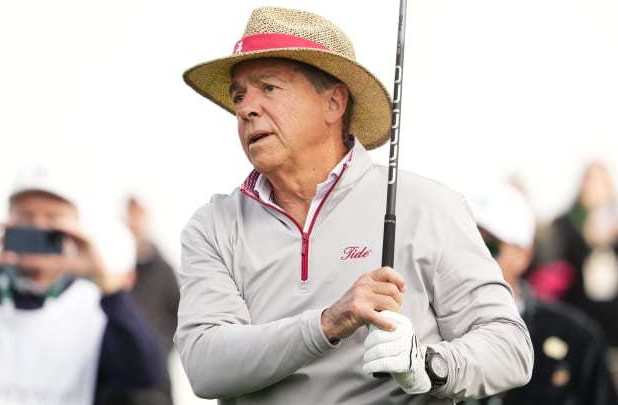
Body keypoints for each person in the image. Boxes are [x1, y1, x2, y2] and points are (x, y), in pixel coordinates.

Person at [174, 6, 533, 404]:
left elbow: (510, 346)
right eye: (239, 95)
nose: (245, 108)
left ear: (333, 103)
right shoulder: (213, 226)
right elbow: (205, 366)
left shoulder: (430, 206)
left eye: (268, 88)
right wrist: (330, 322)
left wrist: (428, 365)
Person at [0, 166, 163, 405]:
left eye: (53, 218)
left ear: (74, 229)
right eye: (26, 216)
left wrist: (107, 286)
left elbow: (145, 374)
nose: (38, 226)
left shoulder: (94, 308)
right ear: (8, 220)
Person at [464, 182, 618, 404]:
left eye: (491, 247)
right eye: (465, 245)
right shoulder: (425, 329)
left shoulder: (577, 339)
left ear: (524, 255)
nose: (475, 257)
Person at [123, 192, 180, 405]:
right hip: (119, 377)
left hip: (156, 379)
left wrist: (161, 344)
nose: (134, 222)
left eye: (137, 215)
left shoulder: (163, 269)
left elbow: (180, 313)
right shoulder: (114, 269)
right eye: (130, 215)